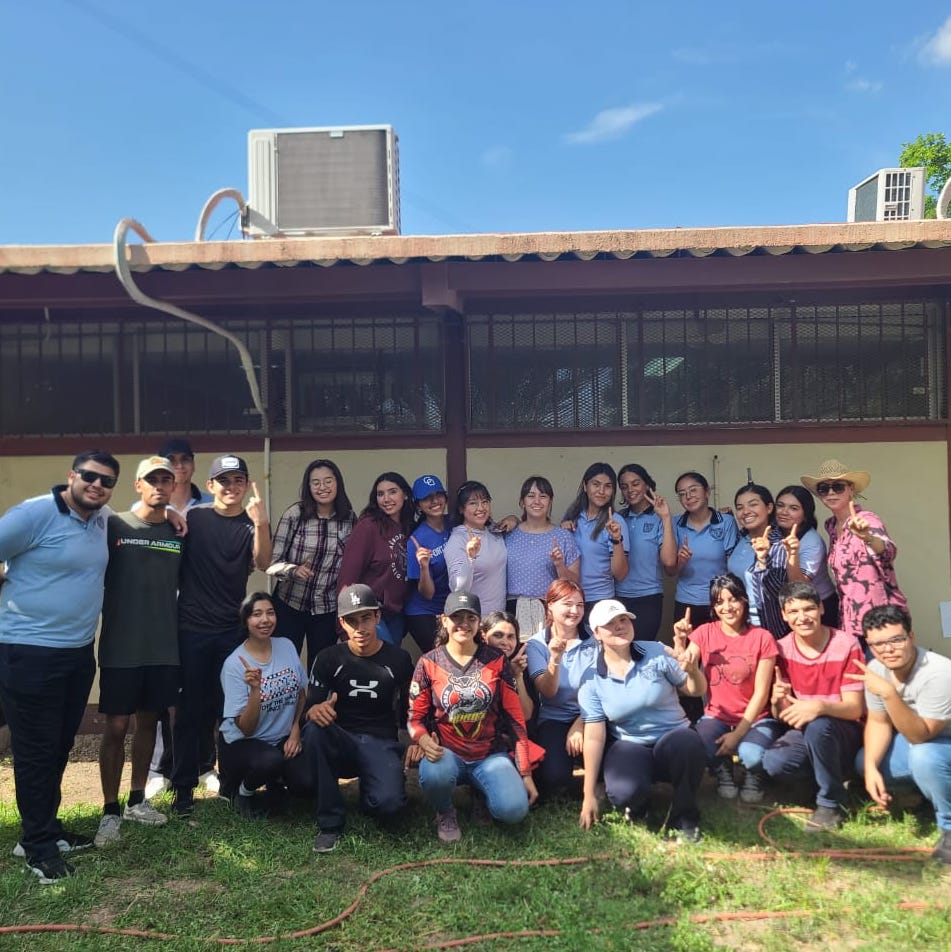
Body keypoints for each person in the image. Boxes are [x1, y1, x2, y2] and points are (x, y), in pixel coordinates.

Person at [0, 450, 120, 882]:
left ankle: (44, 829)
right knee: (34, 751)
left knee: (59, 746)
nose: (97, 485)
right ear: (71, 475)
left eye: (106, 481)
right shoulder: (31, 515)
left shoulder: (102, 519)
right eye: (89, 476)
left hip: (76, 651)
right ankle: (37, 848)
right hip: (28, 650)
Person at [172, 453, 272, 816]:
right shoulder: (193, 518)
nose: (232, 488)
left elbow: (263, 562)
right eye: (224, 481)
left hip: (230, 631)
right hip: (192, 628)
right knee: (188, 711)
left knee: (228, 711)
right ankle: (182, 788)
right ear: (211, 485)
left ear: (246, 486)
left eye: (238, 481)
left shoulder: (251, 522)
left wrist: (261, 523)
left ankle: (228, 783)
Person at [94, 456, 184, 848]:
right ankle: (110, 810)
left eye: (167, 479)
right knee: (116, 727)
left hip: (164, 646)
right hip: (120, 646)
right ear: (138, 485)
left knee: (149, 722)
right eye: (152, 480)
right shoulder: (113, 525)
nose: (160, 486)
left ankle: (136, 800)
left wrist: (179, 516)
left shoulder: (178, 531)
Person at [408, 591, 538, 843]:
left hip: (490, 755)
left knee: (514, 810)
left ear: (479, 623)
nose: (464, 624)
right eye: (457, 617)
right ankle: (445, 810)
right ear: (444, 620)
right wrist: (422, 740)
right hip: (448, 754)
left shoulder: (497, 661)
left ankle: (481, 793)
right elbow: (414, 717)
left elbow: (515, 720)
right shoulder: (428, 663)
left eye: (471, 618)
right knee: (434, 774)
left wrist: (525, 773)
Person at [578, 599, 708, 842]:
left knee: (688, 743)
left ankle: (685, 817)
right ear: (596, 633)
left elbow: (695, 690)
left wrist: (692, 671)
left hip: (672, 736)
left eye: (623, 620)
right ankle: (640, 807)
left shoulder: (656, 652)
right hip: (630, 743)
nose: (619, 626)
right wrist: (588, 794)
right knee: (623, 793)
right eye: (610, 624)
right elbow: (594, 736)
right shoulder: (591, 677)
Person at [302, 583, 414, 853]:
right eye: (352, 621)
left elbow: (411, 710)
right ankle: (329, 822)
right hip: (341, 740)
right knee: (315, 729)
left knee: (388, 807)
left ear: (377, 616)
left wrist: (414, 740)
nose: (360, 628)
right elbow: (312, 706)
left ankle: (372, 789)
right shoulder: (329, 658)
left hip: (380, 742)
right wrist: (314, 710)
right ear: (342, 623)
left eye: (365, 618)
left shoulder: (398, 659)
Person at [848, 605, 951, 866]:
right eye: (878, 644)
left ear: (911, 637)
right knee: (865, 761)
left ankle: (948, 827)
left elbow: (921, 736)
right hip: (923, 742)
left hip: (937, 742)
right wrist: (871, 768)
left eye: (896, 639)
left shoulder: (939, 672)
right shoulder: (876, 668)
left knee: (925, 758)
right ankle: (927, 798)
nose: (888, 649)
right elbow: (878, 722)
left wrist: (890, 694)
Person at [760, 581, 865, 831]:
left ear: (821, 609)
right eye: (793, 611)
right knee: (775, 762)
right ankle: (828, 783)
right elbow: (784, 714)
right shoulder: (782, 649)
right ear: (784, 615)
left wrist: (818, 707)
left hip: (844, 730)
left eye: (808, 609)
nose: (802, 617)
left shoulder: (846, 644)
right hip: (807, 728)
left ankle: (831, 804)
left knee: (819, 726)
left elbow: (854, 709)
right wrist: (777, 701)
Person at [145, 437, 213, 802]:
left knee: (199, 690)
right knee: (163, 689)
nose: (179, 466)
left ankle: (204, 765)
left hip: (201, 611)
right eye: (171, 461)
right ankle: (160, 766)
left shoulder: (210, 505)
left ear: (193, 464)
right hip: (158, 611)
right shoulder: (149, 505)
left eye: (185, 459)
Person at [672, 574, 778, 803]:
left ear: (744, 600)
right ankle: (723, 770)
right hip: (716, 716)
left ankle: (754, 772)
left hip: (755, 717)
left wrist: (737, 734)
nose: (727, 607)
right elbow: (685, 664)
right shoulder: (704, 633)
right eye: (719, 602)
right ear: (713, 607)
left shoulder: (762, 637)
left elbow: (762, 693)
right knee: (700, 745)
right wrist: (680, 641)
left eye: (733, 600)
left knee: (752, 755)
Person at [218, 592, 309, 818]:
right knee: (270, 761)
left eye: (270, 613)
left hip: (282, 739)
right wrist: (256, 690)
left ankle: (275, 782)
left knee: (306, 783)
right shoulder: (234, 665)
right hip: (243, 743)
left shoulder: (286, 646)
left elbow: (301, 694)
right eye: (256, 614)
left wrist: (295, 729)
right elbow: (246, 728)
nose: (265, 620)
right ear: (246, 621)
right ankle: (242, 791)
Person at [800, 459, 908, 646]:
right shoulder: (832, 527)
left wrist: (867, 537)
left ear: (851, 489)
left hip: (880, 622)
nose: (831, 493)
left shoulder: (867, 520)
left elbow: (887, 552)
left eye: (838, 487)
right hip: (851, 623)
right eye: (824, 488)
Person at [267, 458, 356, 665]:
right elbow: (272, 562)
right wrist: (292, 570)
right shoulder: (295, 515)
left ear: (338, 483)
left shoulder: (349, 518)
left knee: (320, 668)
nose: (322, 487)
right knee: (285, 665)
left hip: (326, 608)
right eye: (315, 483)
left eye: (328, 481)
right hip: (290, 604)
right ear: (308, 487)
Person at [525, 579, 597, 797]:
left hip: (593, 716)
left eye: (580, 605)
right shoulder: (536, 645)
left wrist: (581, 722)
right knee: (554, 778)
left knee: (611, 759)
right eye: (567, 604)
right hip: (554, 718)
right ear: (550, 605)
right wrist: (555, 659)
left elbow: (603, 689)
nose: (575, 611)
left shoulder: (595, 640)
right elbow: (547, 692)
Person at [338, 471, 414, 646]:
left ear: (406, 495)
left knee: (391, 667)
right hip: (369, 612)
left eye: (392, 492)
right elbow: (348, 575)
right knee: (381, 664)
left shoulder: (408, 526)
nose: (386, 498)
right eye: (381, 494)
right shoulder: (368, 526)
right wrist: (342, 623)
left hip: (396, 614)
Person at [503, 476, 579, 637]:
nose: (537, 501)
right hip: (512, 610)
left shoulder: (563, 536)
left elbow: (575, 583)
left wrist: (559, 565)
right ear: (522, 502)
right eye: (531, 496)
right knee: (517, 660)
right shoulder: (508, 534)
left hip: (549, 610)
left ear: (550, 502)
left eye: (543, 496)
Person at [669, 471, 740, 627]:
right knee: (687, 649)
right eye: (682, 494)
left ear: (707, 491)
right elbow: (670, 571)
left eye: (693, 490)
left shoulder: (726, 522)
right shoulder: (675, 524)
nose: (688, 496)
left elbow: (733, 566)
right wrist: (680, 561)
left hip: (720, 601)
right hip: (686, 601)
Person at [615, 464, 677, 641]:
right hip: (618, 596)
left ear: (647, 485)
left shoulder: (659, 518)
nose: (630, 490)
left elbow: (670, 562)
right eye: (624, 486)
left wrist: (665, 517)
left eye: (635, 484)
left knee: (642, 650)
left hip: (648, 597)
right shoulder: (618, 518)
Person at [562, 463, 629, 621]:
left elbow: (620, 574)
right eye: (596, 484)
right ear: (585, 486)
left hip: (600, 600)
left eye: (608, 486)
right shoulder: (572, 515)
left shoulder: (616, 522)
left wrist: (616, 539)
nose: (601, 491)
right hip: (571, 598)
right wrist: (562, 530)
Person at [727, 483, 789, 639]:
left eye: (753, 504)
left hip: (768, 628)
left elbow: (781, 593)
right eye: (740, 507)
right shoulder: (741, 538)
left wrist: (763, 561)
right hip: (740, 626)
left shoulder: (779, 544)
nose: (745, 511)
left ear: (769, 508)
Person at [773, 485, 838, 626]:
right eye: (780, 506)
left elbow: (798, 585)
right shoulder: (774, 532)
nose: (784, 512)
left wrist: (792, 554)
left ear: (805, 514)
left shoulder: (812, 542)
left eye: (793, 508)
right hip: (792, 605)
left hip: (819, 608)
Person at [444, 481, 508, 615]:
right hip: (476, 621)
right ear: (462, 509)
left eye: (485, 502)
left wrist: (514, 519)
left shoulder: (493, 531)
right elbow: (457, 588)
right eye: (473, 503)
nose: (481, 508)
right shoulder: (458, 539)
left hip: (499, 618)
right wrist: (470, 558)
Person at [404, 475, 452, 653]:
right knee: (441, 661)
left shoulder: (453, 523)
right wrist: (424, 567)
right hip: (424, 612)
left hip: (450, 609)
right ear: (418, 505)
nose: (435, 501)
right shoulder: (416, 540)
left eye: (438, 494)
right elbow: (427, 594)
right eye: (426, 498)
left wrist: (512, 519)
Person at [482, 612, 533, 720]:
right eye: (498, 635)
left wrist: (516, 676)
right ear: (484, 636)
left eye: (510, 637)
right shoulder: (474, 664)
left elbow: (526, 715)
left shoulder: (521, 665)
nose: (505, 642)